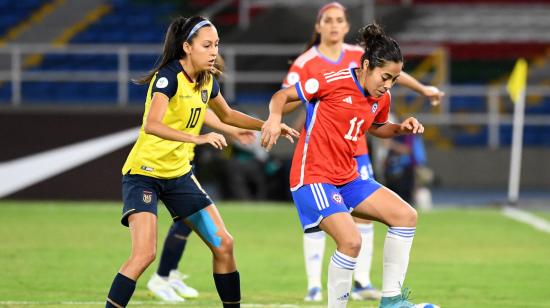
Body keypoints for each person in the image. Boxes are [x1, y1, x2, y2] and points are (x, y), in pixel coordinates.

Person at [105, 16, 298, 308]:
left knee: (224, 244)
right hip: (144, 174)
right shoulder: (168, 77)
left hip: (179, 176)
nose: (214, 52)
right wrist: (199, 139)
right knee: (144, 254)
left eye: (216, 45)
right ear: (187, 47)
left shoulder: (206, 80)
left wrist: (269, 125)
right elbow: (152, 125)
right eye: (207, 45)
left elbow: (228, 115)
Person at [261, 22, 439, 308]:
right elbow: (281, 96)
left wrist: (401, 129)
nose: (388, 85)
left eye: (394, 79)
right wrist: (273, 118)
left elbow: (378, 128)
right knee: (351, 241)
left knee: (406, 216)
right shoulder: (330, 80)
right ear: (366, 65)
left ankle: (391, 301)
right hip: (313, 177)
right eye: (385, 77)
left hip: (348, 178)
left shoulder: (380, 97)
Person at [146, 108, 256, 302]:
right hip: (167, 165)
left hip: (184, 162)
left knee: (185, 225)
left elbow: (204, 110)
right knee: (189, 224)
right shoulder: (175, 82)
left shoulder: (200, 87)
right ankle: (162, 277)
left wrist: (230, 130)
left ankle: (167, 274)